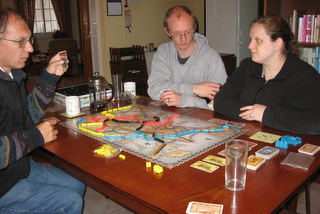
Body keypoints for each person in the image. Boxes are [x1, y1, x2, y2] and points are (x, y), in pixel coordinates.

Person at [0, 8, 85, 213]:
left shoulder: (13, 76)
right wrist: (35, 137)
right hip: (3, 186)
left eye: (29, 40)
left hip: (17, 169)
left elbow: (26, 118)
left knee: (77, 184)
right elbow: (30, 132)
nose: (30, 48)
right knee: (70, 201)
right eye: (21, 41)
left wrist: (48, 77)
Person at [214, 15, 320, 135]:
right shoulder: (247, 66)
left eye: (258, 40)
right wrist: (253, 113)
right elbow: (220, 100)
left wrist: (265, 115)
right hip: (248, 136)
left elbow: (315, 121)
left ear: (277, 44)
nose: (250, 46)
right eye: (251, 39)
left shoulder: (304, 76)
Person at [147, 6, 227, 109]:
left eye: (188, 32)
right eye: (176, 33)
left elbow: (219, 103)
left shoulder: (212, 58)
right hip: (172, 117)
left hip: (201, 120)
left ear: (194, 27)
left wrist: (182, 100)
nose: (183, 38)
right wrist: (193, 89)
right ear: (167, 31)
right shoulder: (163, 52)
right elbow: (154, 89)